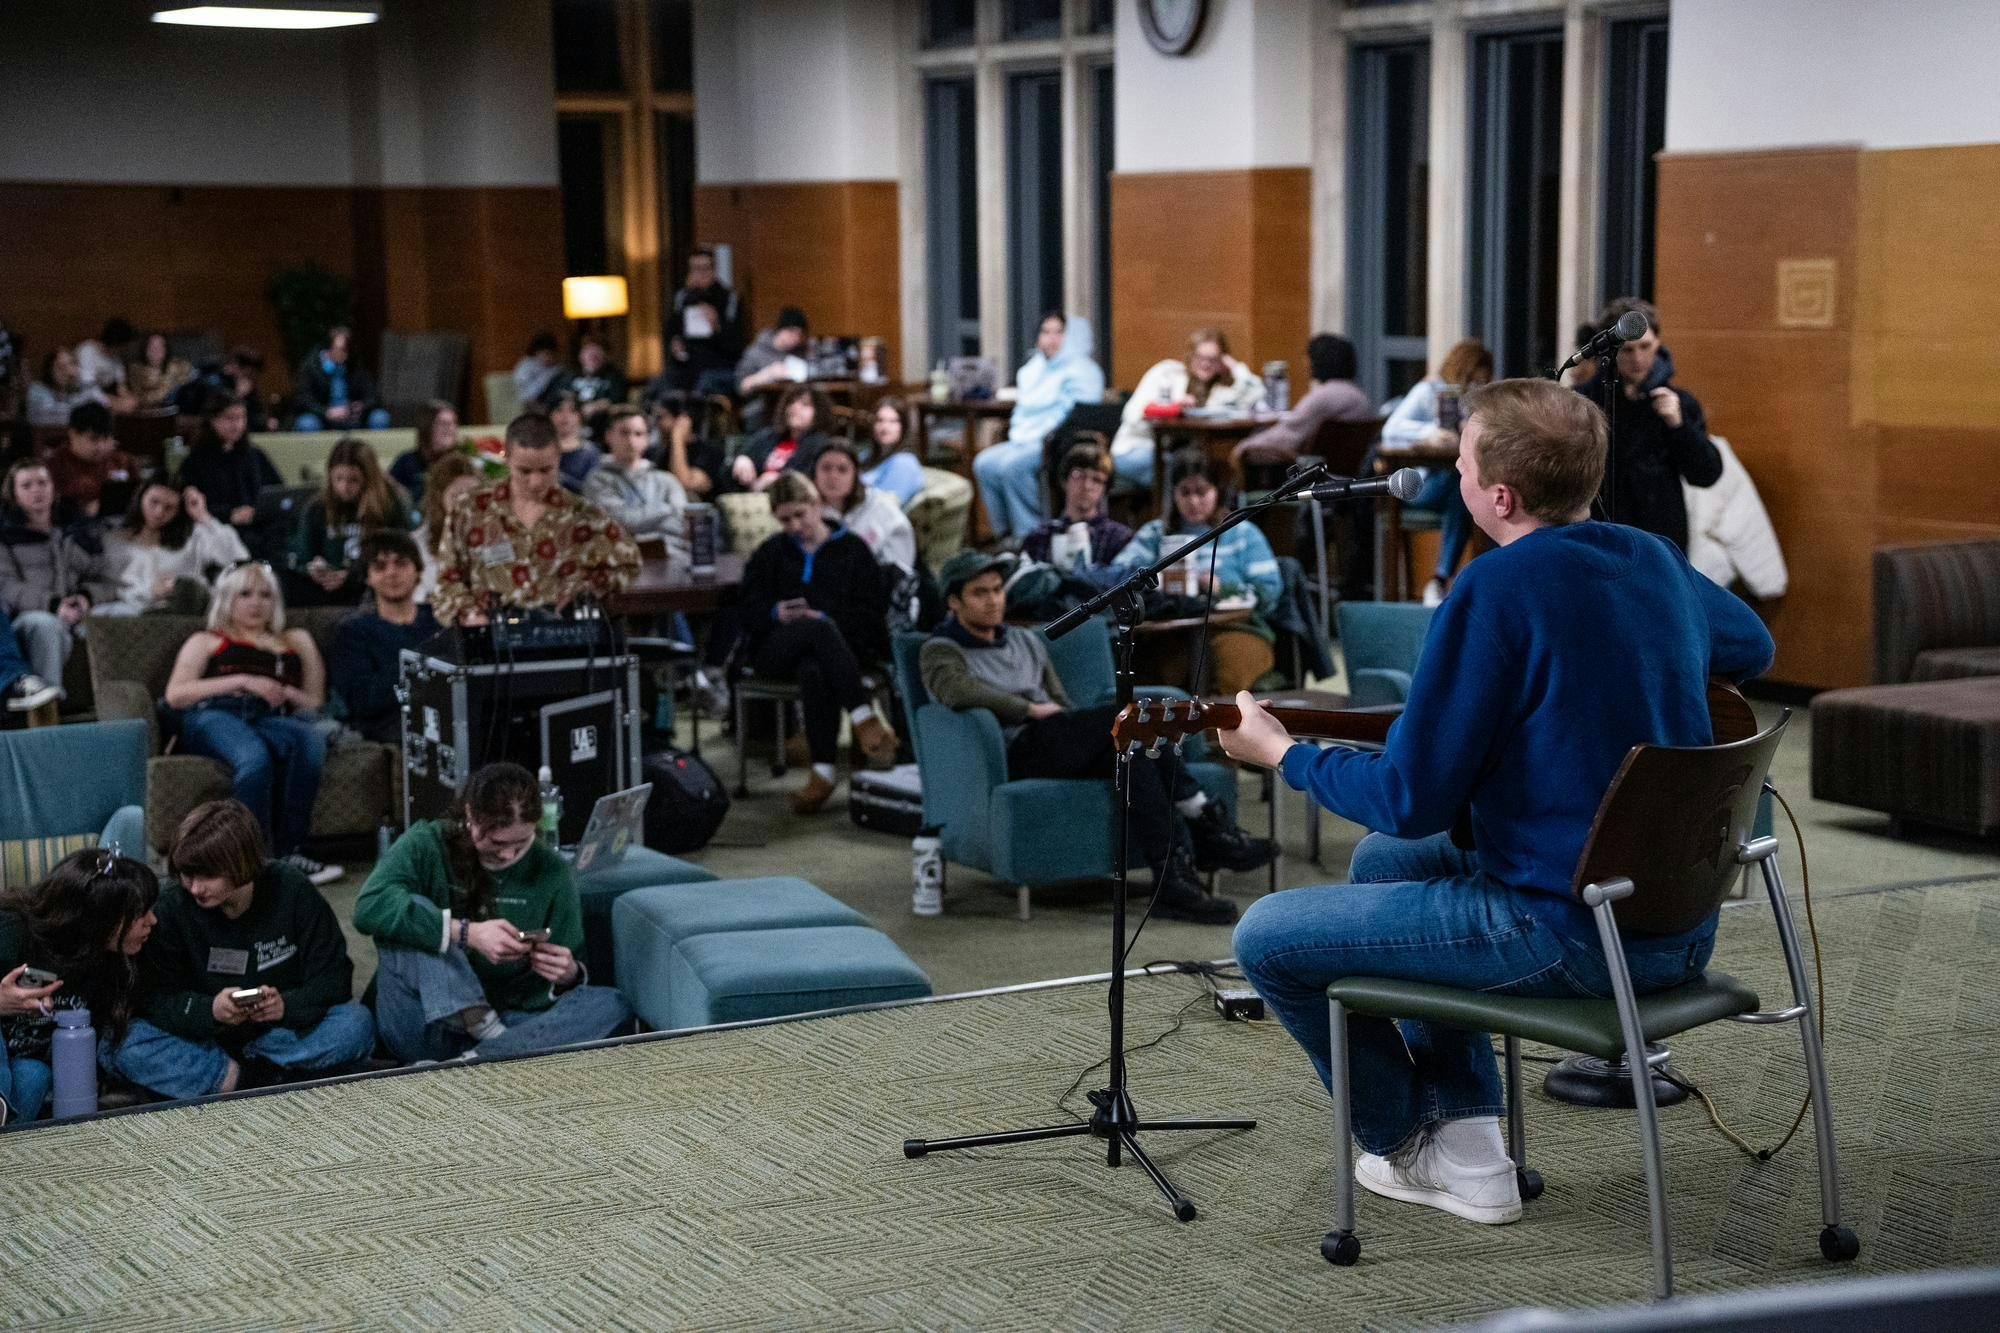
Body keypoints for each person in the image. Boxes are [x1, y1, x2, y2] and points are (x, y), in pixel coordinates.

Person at [1220, 377, 1774, 1228]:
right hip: (1678, 920)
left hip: (1569, 932)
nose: (1457, 476)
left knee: (1265, 938)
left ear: (1500, 496)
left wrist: (1285, 755)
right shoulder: (1652, 558)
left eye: (1463, 462)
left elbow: (1408, 796)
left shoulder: (1494, 590)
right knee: (1384, 866)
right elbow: (1751, 644)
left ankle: (1403, 1136)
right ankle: (1473, 1146)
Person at [920, 551, 1274, 923]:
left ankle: (1172, 879)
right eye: (980, 593)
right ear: (954, 601)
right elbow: (957, 692)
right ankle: (1206, 820)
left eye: (997, 590)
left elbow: (1060, 701)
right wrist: (1028, 710)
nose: (994, 600)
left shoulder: (1025, 642)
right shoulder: (941, 649)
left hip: (1059, 736)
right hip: (1016, 746)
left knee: (1137, 747)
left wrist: (1061, 719)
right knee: (1129, 718)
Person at [353, 762, 634, 1063]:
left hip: (511, 1022)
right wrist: (466, 933)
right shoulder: (428, 842)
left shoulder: (551, 870)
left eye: (521, 842)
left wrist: (569, 975)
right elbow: (368, 908)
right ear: (471, 815)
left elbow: (568, 971)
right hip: (425, 1021)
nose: (508, 854)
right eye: (497, 842)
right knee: (410, 911)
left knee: (611, 1004)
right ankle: (488, 1038)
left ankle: (476, 1060)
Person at [105, 801, 375, 1100]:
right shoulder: (171, 906)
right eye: (187, 875)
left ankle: (229, 1079)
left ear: (241, 866)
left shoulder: (292, 889)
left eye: (207, 877)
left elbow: (334, 978)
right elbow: (153, 998)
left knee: (356, 1023)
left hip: (279, 1035)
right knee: (119, 1043)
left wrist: (285, 1005)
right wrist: (210, 1010)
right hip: (204, 1039)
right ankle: (264, 1078)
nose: (195, 888)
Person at [162, 561, 340, 885]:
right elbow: (176, 694)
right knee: (254, 758)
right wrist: (243, 680)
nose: (257, 603)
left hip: (270, 716)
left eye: (265, 595)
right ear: (227, 598)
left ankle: (290, 852)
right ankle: (251, 861)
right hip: (214, 713)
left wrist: (284, 691)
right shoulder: (207, 640)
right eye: (245, 594)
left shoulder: (294, 639)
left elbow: (315, 702)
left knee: (310, 742)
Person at [740, 472, 900, 814]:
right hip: (776, 650)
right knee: (815, 629)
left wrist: (826, 618)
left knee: (816, 664)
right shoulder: (771, 553)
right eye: (785, 520)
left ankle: (823, 773)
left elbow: (871, 614)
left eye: (800, 514)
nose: (795, 525)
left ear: (816, 505)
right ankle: (862, 717)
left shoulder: (854, 550)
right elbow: (745, 608)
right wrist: (775, 611)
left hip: (838, 653)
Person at [431, 413, 640, 628]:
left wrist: (588, 588)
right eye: (525, 471)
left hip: (563, 637)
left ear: (558, 459)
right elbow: (447, 582)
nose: (535, 482)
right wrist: (470, 614)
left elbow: (628, 563)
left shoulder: (584, 515)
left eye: (545, 470)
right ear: (507, 459)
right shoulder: (471, 510)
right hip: (491, 638)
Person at [0, 849, 159, 1125]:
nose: (152, 921)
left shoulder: (110, 960)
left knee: (35, 1075)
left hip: (25, 1067)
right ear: (101, 917)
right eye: (140, 914)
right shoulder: (11, 929)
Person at [1112, 457, 1281, 697]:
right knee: (1160, 678)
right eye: (1185, 492)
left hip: (1237, 627)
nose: (1193, 501)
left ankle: (1219, 734)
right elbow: (1118, 576)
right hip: (1172, 631)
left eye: (1202, 492)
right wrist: (1156, 580)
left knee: (1226, 674)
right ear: (1173, 495)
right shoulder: (1156, 534)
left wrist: (1221, 587)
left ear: (1217, 492)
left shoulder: (1241, 532)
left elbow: (1269, 592)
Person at [1575, 297, 1721, 553]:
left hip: (1660, 539)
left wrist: (1678, 425)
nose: (1638, 358)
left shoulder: (1678, 403)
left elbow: (1706, 474)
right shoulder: (1583, 401)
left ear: (1658, 345)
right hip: (1598, 535)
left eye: (1646, 347)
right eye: (1628, 350)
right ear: (1611, 351)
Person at [973, 313, 1106, 540]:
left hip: (1056, 442)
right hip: (1023, 438)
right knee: (983, 463)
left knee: (1012, 468)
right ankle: (1004, 535)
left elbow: (1078, 416)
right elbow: (1026, 407)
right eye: (1045, 332)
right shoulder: (1034, 368)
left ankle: (1029, 535)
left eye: (1058, 333)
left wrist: (1044, 435)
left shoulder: (1083, 371)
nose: (1051, 339)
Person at [1381, 339, 1494, 605]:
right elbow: (1391, 429)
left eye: (1482, 382)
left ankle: (1442, 580)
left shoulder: (1468, 402)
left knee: (1465, 494)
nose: (1477, 386)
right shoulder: (1429, 390)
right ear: (1461, 370)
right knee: (1463, 488)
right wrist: (1430, 433)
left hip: (1448, 486)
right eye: (1474, 380)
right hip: (1417, 485)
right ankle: (1445, 580)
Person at [1, 459, 118, 695]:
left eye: (42, 483)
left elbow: (105, 578)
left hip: (75, 609)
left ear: (53, 488)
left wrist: (85, 597)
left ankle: (116, 700)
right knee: (46, 626)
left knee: (120, 614)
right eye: (27, 485)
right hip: (30, 615)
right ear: (13, 494)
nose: (37, 490)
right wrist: (53, 604)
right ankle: (47, 704)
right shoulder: (6, 537)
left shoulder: (72, 533)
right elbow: (6, 587)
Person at [1110, 329, 1264, 488]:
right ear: (1190, 355)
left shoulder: (1219, 390)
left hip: (1176, 454)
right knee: (1183, 472)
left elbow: (1258, 392)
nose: (1205, 364)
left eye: (1213, 359)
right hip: (1138, 448)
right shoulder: (1167, 373)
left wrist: (1236, 368)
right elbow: (1132, 415)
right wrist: (1173, 407)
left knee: (1216, 469)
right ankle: (1169, 513)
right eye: (1200, 357)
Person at [326, 531, 438, 744]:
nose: (391, 573)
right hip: (388, 724)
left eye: (401, 564)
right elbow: (362, 701)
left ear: (418, 570)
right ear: (368, 577)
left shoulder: (440, 622)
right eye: (380, 567)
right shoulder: (352, 631)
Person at [289, 438, 414, 608]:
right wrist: (311, 568)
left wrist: (354, 575)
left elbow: (403, 553)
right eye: (338, 479)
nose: (344, 487)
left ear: (368, 479)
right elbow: (301, 556)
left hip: (373, 589)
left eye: (353, 480)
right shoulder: (317, 507)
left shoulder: (391, 503)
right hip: (326, 590)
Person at [100, 478, 249, 615]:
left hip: (188, 609)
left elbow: (240, 560)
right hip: (134, 611)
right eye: (154, 502)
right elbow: (111, 588)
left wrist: (203, 516)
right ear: (141, 497)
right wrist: (151, 591)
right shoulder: (114, 539)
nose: (159, 512)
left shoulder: (193, 537)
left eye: (169, 507)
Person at [1234, 333, 1373, 461]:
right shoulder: (1360, 398)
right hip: (1346, 474)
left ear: (1319, 361)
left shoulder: (1322, 397)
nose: (1305, 364)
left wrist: (1244, 446)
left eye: (1309, 358)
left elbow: (1288, 434)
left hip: (1311, 472)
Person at [583, 405, 690, 563]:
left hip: (673, 555)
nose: (631, 440)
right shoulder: (597, 480)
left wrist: (641, 522)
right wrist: (667, 509)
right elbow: (623, 521)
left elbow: (683, 524)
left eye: (638, 434)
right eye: (624, 433)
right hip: (622, 559)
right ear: (609, 436)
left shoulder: (666, 480)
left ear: (647, 439)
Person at [177, 391, 281, 534]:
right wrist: (229, 514)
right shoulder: (196, 460)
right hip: (218, 528)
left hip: (259, 524)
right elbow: (190, 504)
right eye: (230, 418)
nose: (237, 425)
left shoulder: (254, 454)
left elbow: (277, 490)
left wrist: (256, 511)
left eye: (241, 418)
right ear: (213, 420)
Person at [1021, 443, 1132, 570]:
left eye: (1097, 480)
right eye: (1079, 475)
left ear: (1105, 489)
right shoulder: (1039, 538)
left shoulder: (1118, 538)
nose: (1087, 486)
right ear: (1064, 479)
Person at [812, 439, 914, 573]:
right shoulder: (804, 510)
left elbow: (899, 570)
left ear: (855, 476)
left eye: (842, 470)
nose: (833, 476)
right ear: (814, 473)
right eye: (826, 468)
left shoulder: (881, 510)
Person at [662, 248, 744, 397]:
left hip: (717, 363)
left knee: (705, 382)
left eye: (704, 269)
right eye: (695, 269)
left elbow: (736, 344)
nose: (699, 275)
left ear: (713, 271)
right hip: (688, 362)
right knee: (662, 382)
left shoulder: (728, 298)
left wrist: (716, 325)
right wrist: (675, 344)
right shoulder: (682, 297)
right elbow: (672, 330)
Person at [47, 399, 141, 521]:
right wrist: (82, 511)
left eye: (106, 438)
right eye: (94, 439)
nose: (101, 446)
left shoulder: (124, 461)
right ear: (73, 434)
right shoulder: (54, 465)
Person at [731, 384, 830, 494]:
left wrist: (779, 480)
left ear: (819, 412)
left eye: (805, 404)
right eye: (791, 402)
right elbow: (732, 463)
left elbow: (811, 479)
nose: (795, 407)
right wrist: (742, 459)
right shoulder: (769, 435)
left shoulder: (820, 444)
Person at [412, 452, 479, 605]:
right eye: (456, 496)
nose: (466, 504)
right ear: (439, 500)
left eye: (473, 495)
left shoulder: (500, 535)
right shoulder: (417, 544)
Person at [291, 326, 389, 432]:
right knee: (307, 424)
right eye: (340, 349)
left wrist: (361, 406)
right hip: (322, 418)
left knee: (380, 417)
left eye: (346, 350)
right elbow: (303, 399)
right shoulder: (311, 367)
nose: (344, 354)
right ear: (329, 348)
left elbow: (373, 395)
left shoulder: (354, 365)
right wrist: (326, 412)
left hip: (352, 418)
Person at [542, 333, 627, 430]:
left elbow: (618, 402)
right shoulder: (567, 375)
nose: (593, 355)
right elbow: (554, 399)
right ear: (580, 355)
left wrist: (595, 407)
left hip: (603, 424)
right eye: (588, 351)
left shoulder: (614, 376)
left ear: (605, 355)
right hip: (570, 421)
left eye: (597, 351)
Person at [26, 346, 125, 428]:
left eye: (71, 364)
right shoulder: (37, 390)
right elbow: (47, 417)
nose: (68, 371)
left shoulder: (79, 390)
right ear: (49, 370)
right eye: (61, 367)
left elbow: (102, 404)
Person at [173, 345, 272, 426]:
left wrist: (265, 422)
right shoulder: (211, 380)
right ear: (235, 366)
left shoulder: (245, 383)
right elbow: (218, 413)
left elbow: (256, 411)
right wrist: (238, 396)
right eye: (247, 373)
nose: (249, 378)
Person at [858, 396, 927, 506]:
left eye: (893, 421)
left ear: (904, 427)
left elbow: (885, 509)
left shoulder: (904, 463)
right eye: (880, 420)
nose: (885, 427)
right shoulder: (865, 456)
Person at [389, 400, 461, 505]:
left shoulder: (463, 462)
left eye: (453, 423)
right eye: (443, 423)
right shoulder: (406, 461)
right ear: (426, 428)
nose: (450, 428)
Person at [736, 305, 810, 394]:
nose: (796, 338)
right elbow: (741, 387)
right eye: (791, 332)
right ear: (780, 330)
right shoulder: (757, 351)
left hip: (793, 401)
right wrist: (767, 374)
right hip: (762, 402)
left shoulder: (801, 351)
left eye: (799, 334)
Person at [0, 607, 61, 713]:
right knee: (43, 623)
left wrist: (85, 600)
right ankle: (11, 685)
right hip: (15, 616)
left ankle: (17, 686)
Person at [547, 391, 603, 493]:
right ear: (550, 415)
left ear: (579, 416)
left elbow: (594, 490)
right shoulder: (539, 449)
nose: (565, 416)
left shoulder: (590, 452)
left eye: (572, 411)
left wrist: (561, 479)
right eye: (559, 410)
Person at [126, 331, 193, 411]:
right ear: (145, 349)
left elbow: (184, 385)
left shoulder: (177, 367)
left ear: (166, 350)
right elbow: (137, 395)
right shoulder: (135, 368)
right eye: (151, 347)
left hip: (172, 410)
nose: (155, 351)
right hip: (143, 410)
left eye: (160, 347)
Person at [74, 318, 137, 396]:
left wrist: (126, 397)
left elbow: (121, 384)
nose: (124, 351)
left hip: (105, 395)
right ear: (115, 345)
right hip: (82, 396)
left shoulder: (117, 358)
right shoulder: (87, 351)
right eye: (123, 348)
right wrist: (111, 402)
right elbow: (87, 387)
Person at [513, 332, 563, 407]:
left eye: (551, 354)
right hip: (530, 402)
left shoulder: (555, 368)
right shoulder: (525, 366)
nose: (548, 358)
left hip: (552, 402)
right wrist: (546, 376)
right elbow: (526, 394)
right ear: (536, 352)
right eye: (546, 354)